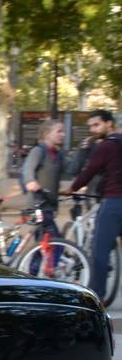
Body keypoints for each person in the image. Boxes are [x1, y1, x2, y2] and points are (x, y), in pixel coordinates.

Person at [69, 110, 122, 300]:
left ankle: (96, 299)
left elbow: (89, 172)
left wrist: (72, 188)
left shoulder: (106, 146)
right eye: (90, 126)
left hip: (114, 203)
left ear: (109, 124)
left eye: (96, 125)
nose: (92, 129)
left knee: (100, 253)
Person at [21, 118, 66, 236]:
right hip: (37, 205)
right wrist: (30, 181)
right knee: (54, 243)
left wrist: (84, 150)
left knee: (45, 245)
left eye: (63, 131)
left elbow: (72, 170)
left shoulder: (59, 155)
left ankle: (34, 255)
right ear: (47, 134)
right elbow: (27, 169)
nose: (63, 134)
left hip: (50, 206)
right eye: (59, 131)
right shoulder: (38, 151)